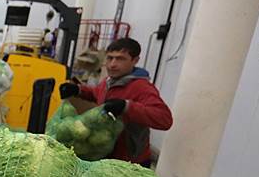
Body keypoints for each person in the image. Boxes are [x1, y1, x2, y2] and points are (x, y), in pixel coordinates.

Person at [59, 37, 173, 166]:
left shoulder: (142, 87)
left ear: (135, 60)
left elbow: (164, 119)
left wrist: (126, 106)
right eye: (110, 58)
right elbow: (96, 93)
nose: (112, 64)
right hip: (104, 155)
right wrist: (78, 90)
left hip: (129, 163)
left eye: (120, 59)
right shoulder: (109, 81)